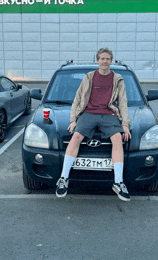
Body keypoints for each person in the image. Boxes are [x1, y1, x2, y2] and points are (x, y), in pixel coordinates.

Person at [56, 47, 131, 201]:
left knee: (117, 138)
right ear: (97, 60)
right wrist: (73, 119)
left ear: (111, 61)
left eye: (107, 59)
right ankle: (63, 179)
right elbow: (78, 98)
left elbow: (122, 102)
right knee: (76, 136)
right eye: (102, 58)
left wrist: (125, 124)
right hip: (88, 113)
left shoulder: (118, 79)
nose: (105, 61)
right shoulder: (89, 77)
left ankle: (118, 182)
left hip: (109, 114)